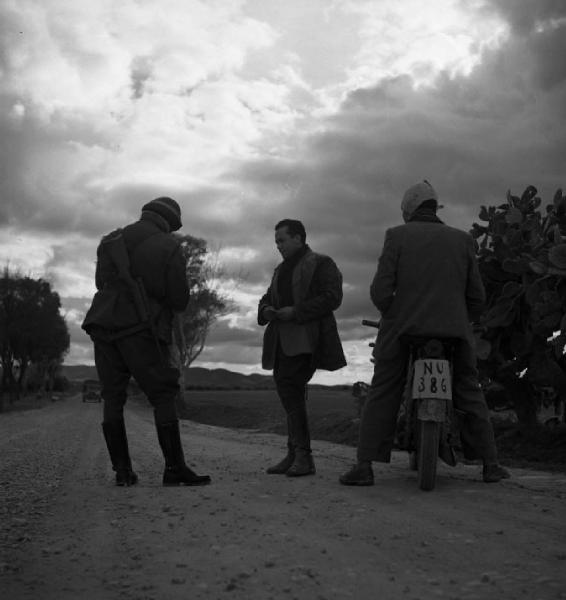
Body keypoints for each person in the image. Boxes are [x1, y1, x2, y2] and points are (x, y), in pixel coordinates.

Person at [339, 182, 510, 486]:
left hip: (404, 328)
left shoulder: (397, 236)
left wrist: (394, 313)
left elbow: (380, 291)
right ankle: (490, 464)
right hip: (453, 331)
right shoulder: (463, 241)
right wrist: (460, 319)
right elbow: (477, 298)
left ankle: (365, 465)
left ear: (409, 208)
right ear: (433, 207)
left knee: (385, 387)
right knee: (469, 388)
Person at [82, 197, 210, 487]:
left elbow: (100, 283)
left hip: (103, 325)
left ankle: (123, 473)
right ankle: (174, 469)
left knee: (113, 397)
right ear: (167, 223)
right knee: (163, 395)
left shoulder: (110, 241)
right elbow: (179, 299)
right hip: (141, 328)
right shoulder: (169, 246)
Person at [258, 219, 346, 477]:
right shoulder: (280, 270)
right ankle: (294, 454)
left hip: (307, 339)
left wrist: (296, 311)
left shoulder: (321, 263)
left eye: (282, 240)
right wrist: (266, 310)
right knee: (289, 393)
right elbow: (266, 297)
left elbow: (333, 297)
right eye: (276, 242)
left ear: (298, 238)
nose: (278, 246)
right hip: (281, 341)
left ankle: (304, 457)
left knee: (291, 391)